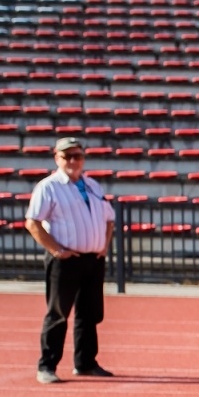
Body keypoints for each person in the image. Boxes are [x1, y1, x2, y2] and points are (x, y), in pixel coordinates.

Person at [26, 137, 116, 384]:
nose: (73, 161)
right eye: (67, 156)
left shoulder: (92, 186)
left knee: (89, 315)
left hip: (92, 259)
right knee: (58, 314)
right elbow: (32, 222)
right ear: (57, 158)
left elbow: (109, 218)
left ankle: (86, 363)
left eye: (77, 156)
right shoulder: (49, 187)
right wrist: (56, 250)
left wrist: (104, 246)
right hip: (65, 260)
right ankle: (47, 365)